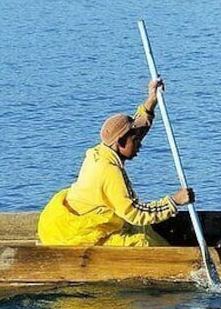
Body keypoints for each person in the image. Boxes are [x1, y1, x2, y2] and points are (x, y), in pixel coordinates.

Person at [37, 78, 194, 247]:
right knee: (143, 242)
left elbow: (136, 130)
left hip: (61, 221)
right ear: (120, 142)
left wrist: (151, 100)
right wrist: (174, 201)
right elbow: (136, 213)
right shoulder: (110, 172)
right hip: (76, 234)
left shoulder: (99, 151)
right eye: (136, 140)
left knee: (143, 228)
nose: (140, 143)